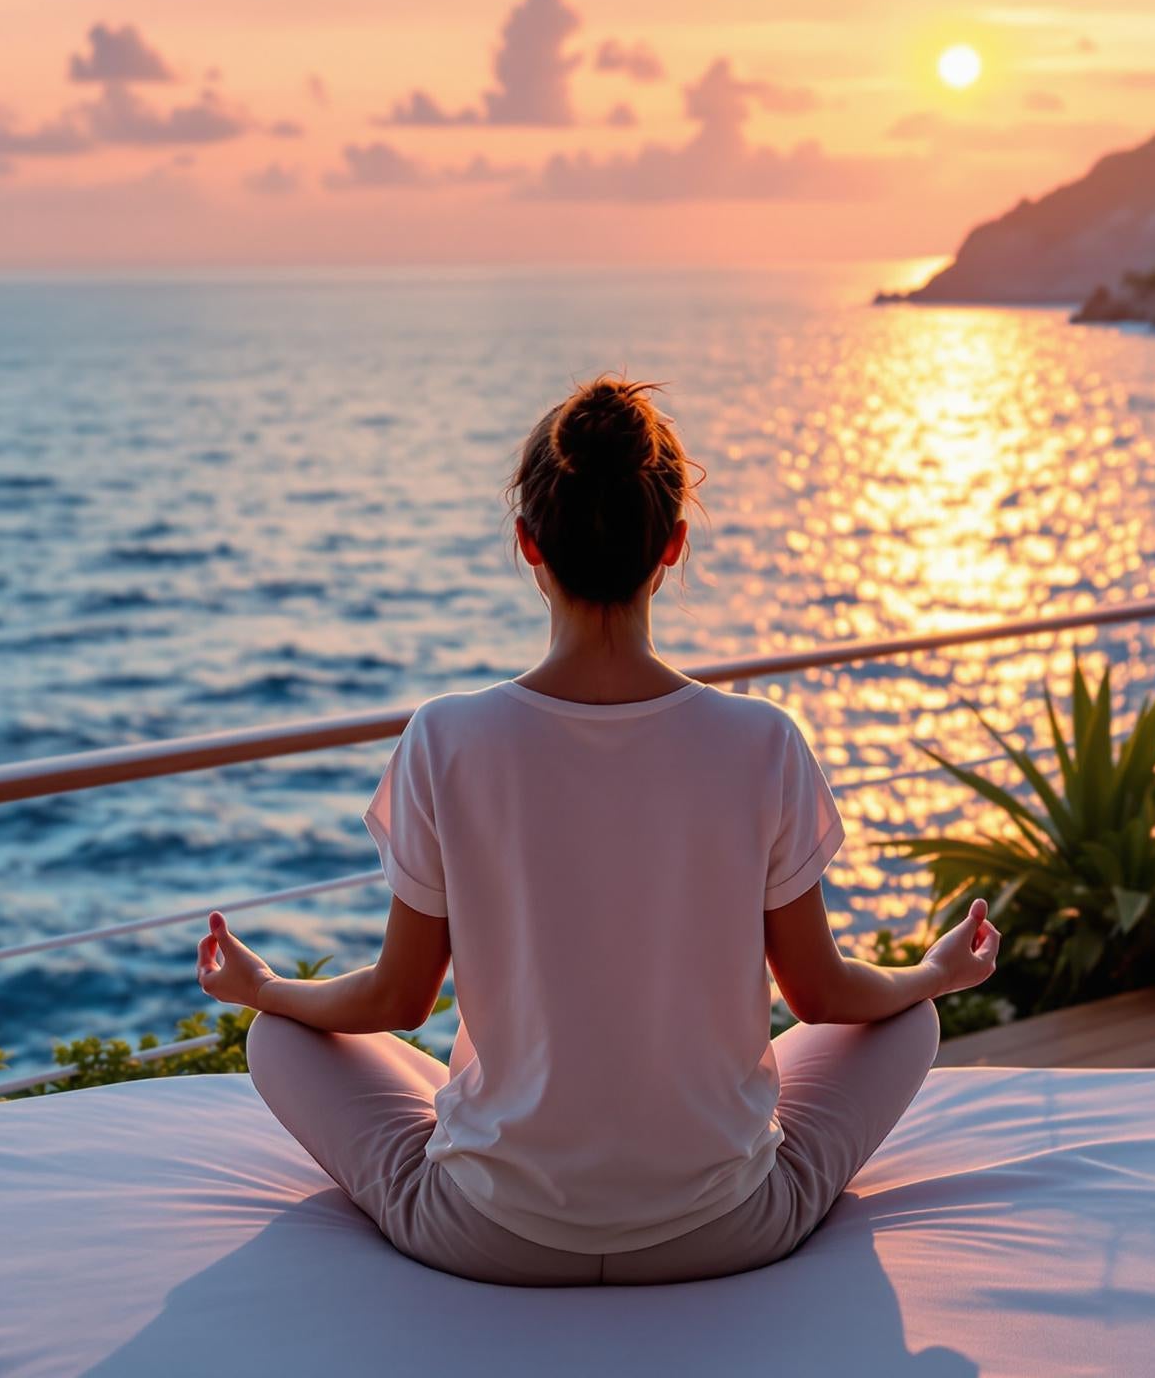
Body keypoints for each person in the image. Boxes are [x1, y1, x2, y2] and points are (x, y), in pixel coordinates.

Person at [195, 375, 1000, 1287]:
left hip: (490, 1235)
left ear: (527, 543)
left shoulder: (448, 737)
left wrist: (266, 987)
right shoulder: (759, 741)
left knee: (277, 1035)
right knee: (909, 1022)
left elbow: (396, 1004)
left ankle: (493, 1136)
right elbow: (818, 994)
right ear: (673, 546)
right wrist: (936, 971)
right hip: (730, 1227)